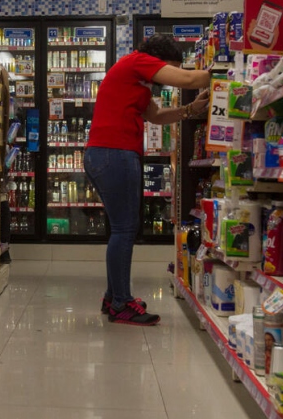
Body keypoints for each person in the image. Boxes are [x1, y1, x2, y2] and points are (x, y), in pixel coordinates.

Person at [84, 34, 210, 326]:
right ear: (159, 60)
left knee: (121, 229)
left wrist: (191, 110)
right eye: (171, 67)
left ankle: (113, 295)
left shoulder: (137, 81)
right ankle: (121, 303)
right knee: (125, 230)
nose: (167, 78)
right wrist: (225, 73)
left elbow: (155, 116)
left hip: (105, 153)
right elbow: (188, 80)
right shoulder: (139, 61)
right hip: (114, 153)